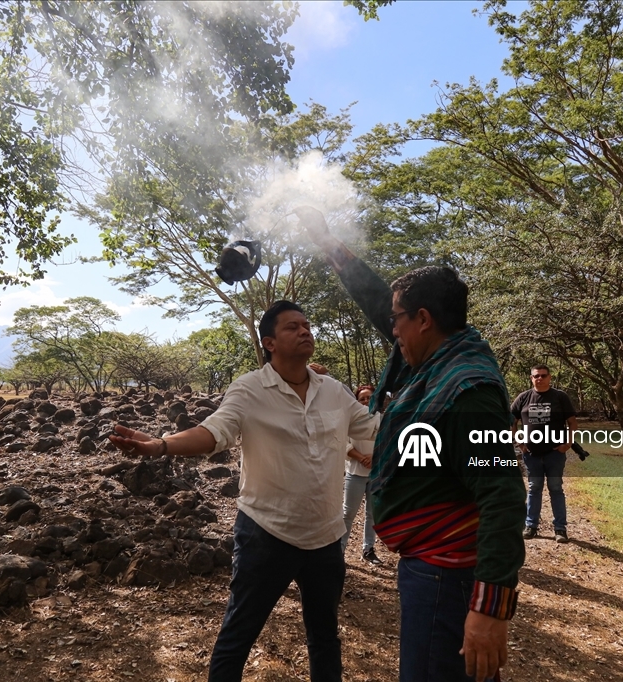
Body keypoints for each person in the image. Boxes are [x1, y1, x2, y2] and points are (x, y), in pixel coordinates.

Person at [298, 207, 525, 682]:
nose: (392, 329)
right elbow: (377, 299)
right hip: (432, 568)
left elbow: (503, 494)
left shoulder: (468, 389)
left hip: (447, 575)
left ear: (423, 319)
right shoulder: (437, 359)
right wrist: (327, 242)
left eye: (398, 320)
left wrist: (490, 608)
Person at [109, 300, 377, 682]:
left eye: (306, 325)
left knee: (325, 638)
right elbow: (213, 432)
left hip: (325, 538)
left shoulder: (334, 391)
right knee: (238, 636)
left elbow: (376, 428)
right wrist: (161, 445)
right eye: (292, 327)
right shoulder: (250, 389)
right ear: (269, 342)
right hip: (266, 535)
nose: (304, 331)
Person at [510, 364, 579, 543]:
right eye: (536, 376)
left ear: (549, 377)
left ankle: (560, 529)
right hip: (531, 454)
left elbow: (572, 422)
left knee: (556, 488)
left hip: (554, 453)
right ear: (531, 378)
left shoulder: (560, 397)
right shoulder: (523, 398)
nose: (539, 378)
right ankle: (531, 526)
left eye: (543, 375)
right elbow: (511, 422)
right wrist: (519, 443)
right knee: (534, 488)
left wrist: (568, 443)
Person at [341, 384, 383, 565]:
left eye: (369, 398)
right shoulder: (349, 419)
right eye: (362, 399)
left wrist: (374, 457)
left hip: (376, 474)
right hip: (355, 473)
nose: (366, 401)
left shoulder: (381, 419)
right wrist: (360, 457)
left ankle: (368, 549)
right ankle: (339, 551)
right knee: (347, 514)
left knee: (372, 514)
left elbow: (388, 441)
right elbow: (344, 443)